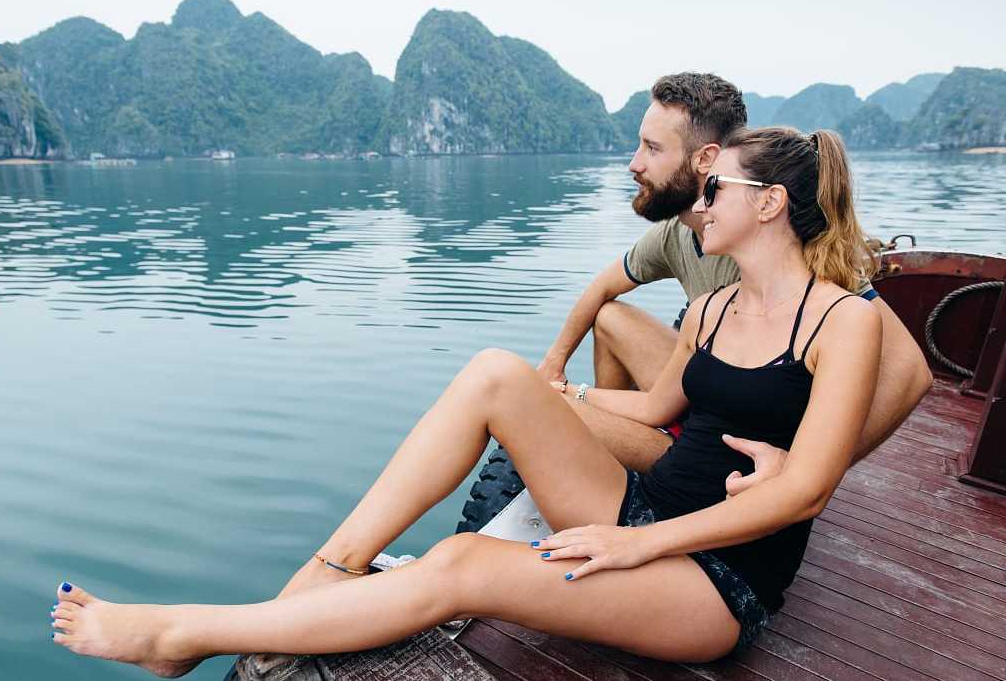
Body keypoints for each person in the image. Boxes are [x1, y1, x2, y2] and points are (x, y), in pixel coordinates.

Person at [50, 125, 888, 675]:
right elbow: (656, 411)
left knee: (459, 567)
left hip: (712, 580)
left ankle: (185, 633)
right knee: (496, 371)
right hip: (644, 508)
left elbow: (808, 488)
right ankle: (332, 566)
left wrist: (639, 546)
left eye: (716, 190)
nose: (698, 204)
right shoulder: (712, 306)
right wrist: (555, 401)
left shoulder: (842, 320)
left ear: (769, 204)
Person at [537, 73, 931, 494]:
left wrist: (805, 470)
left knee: (530, 404)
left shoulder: (792, 251)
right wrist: (554, 367)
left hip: (741, 434)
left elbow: (909, 373)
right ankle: (612, 456)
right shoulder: (678, 235)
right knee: (610, 317)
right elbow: (601, 288)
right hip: (704, 395)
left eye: (652, 148)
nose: (634, 164)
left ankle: (625, 457)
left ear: (705, 158)